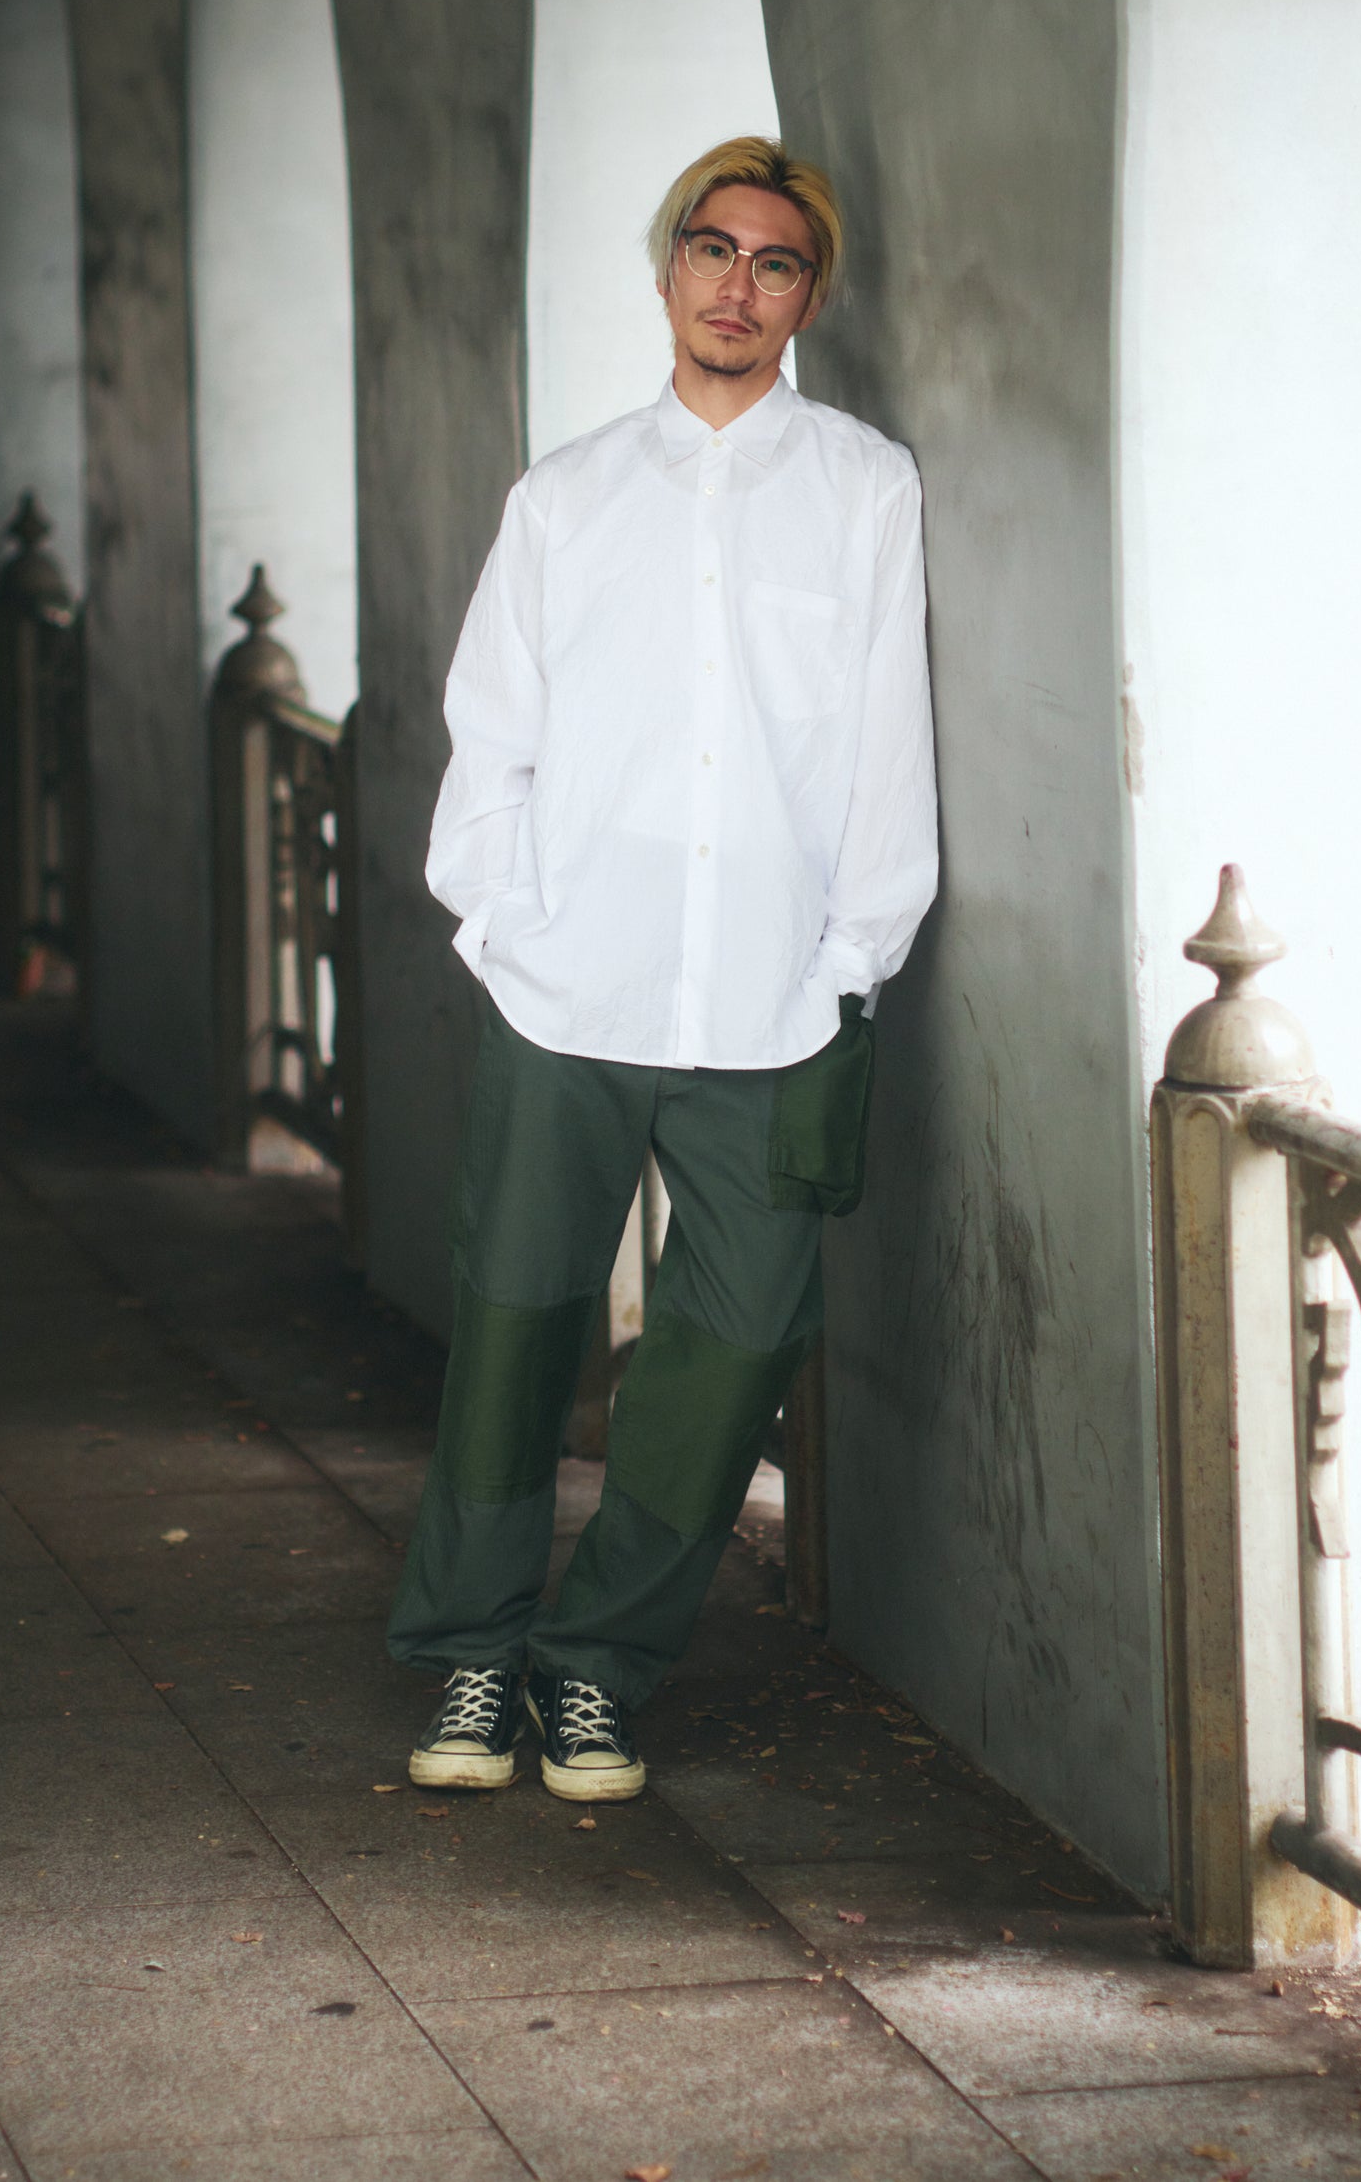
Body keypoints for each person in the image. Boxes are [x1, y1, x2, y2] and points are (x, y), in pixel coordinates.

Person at [386, 135, 938, 1801]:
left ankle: (599, 1670)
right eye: (712, 250)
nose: (735, 286)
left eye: (775, 263)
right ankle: (472, 1657)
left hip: (775, 1004)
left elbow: (885, 749)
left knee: (733, 1342)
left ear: (809, 299)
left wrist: (850, 963)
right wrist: (499, 923)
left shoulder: (864, 489)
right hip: (566, 990)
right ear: (665, 270)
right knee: (512, 1328)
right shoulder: (563, 498)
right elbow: (491, 732)